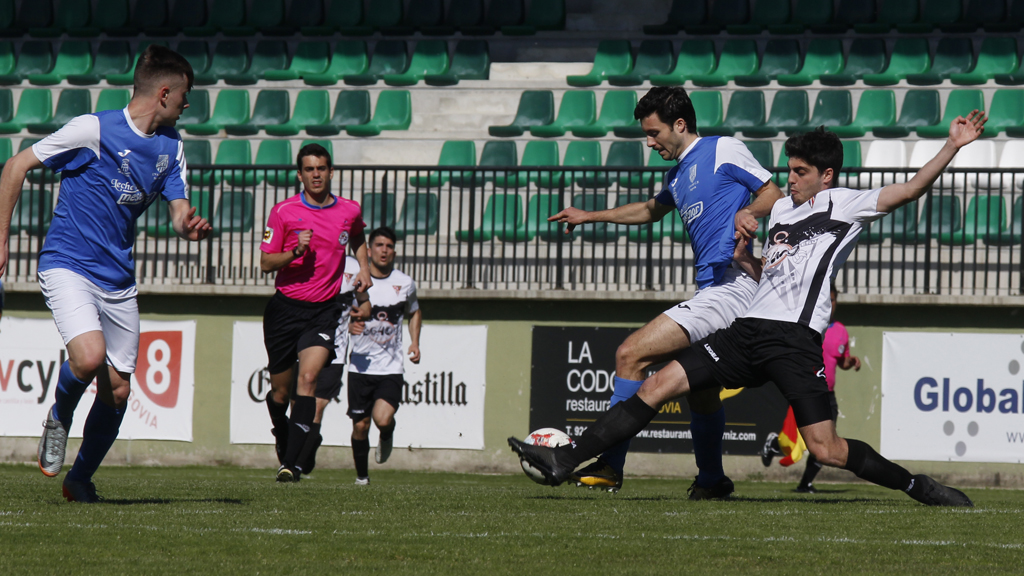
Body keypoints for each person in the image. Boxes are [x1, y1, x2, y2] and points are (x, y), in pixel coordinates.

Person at [511, 113, 987, 507]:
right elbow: (771, 274)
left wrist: (952, 146)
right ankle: (566, 459)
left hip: (794, 342)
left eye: (799, 172)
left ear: (827, 176)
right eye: (790, 170)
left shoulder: (847, 204)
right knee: (658, 382)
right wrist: (745, 259)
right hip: (747, 331)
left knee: (827, 448)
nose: (789, 181)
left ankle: (917, 487)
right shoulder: (780, 213)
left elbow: (909, 189)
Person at [547, 86, 784, 497]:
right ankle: (712, 480)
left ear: (680, 124)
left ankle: (609, 466)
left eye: (654, 133)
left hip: (734, 284)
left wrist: (748, 211)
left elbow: (771, 192)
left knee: (630, 353)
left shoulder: (724, 149)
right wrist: (590, 215)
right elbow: (649, 210)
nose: (649, 142)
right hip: (713, 286)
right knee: (703, 393)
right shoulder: (676, 175)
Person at [0, 45, 210, 503]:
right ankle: (59, 415)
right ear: (165, 93)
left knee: (117, 391)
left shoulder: (173, 148)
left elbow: (177, 211)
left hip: (118, 280)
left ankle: (79, 480)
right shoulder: (93, 129)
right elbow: (15, 166)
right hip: (67, 264)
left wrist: (187, 225)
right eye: (185, 96)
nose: (188, 105)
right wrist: (1, 238)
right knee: (89, 357)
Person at [260, 143, 371, 483]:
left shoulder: (349, 210)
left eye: (321, 168)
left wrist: (363, 267)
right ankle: (282, 429)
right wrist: (296, 250)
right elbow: (265, 263)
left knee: (308, 380)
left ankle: (291, 464)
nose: (316, 174)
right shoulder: (283, 212)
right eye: (309, 169)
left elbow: (358, 236)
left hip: (323, 311)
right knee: (280, 394)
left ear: (331, 171)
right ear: (300, 174)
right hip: (284, 310)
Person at [761, 281, 861, 493]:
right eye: (827, 300)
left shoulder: (841, 331)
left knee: (828, 440)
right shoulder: (807, 325)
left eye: (833, 300)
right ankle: (775, 445)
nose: (831, 304)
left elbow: (841, 361)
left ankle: (805, 483)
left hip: (828, 394)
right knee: (797, 437)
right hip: (807, 390)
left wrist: (850, 362)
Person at [347, 226, 421, 485]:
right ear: (368, 250)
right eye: (379, 245)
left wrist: (415, 343)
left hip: (390, 368)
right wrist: (349, 325)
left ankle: (387, 434)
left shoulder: (405, 283)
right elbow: (340, 315)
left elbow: (415, 311)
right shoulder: (356, 281)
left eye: (389, 246)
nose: (384, 250)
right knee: (360, 426)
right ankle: (362, 478)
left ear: (394, 252)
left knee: (382, 418)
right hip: (359, 366)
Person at [291, 254, 372, 475]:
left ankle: (295, 467)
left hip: (334, 352)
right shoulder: (309, 258)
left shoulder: (355, 266)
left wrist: (359, 315)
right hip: (304, 346)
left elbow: (365, 303)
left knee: (316, 407)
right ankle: (306, 446)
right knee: (297, 408)